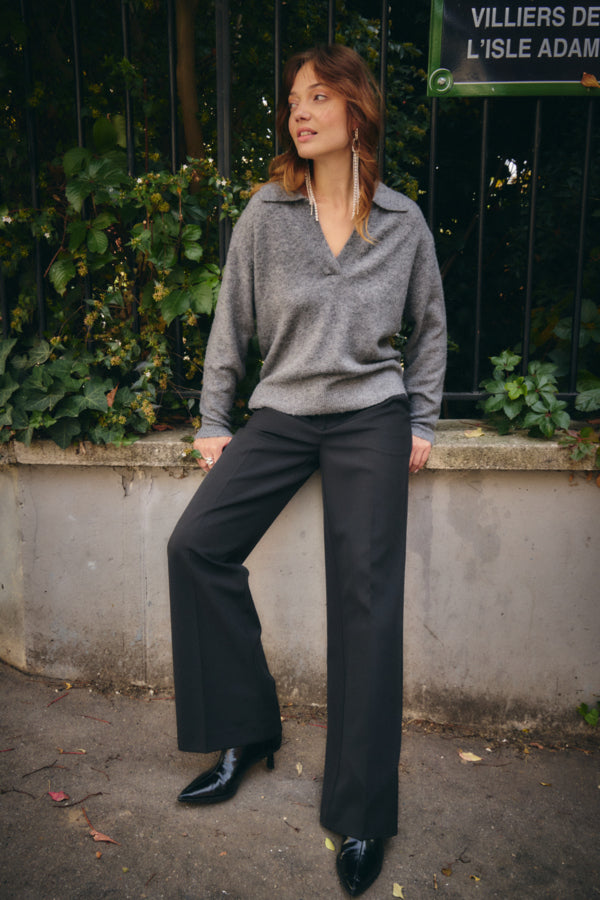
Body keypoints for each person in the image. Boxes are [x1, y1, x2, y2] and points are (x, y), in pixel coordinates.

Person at [167, 43, 446, 897]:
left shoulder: (401, 221)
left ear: (357, 111)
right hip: (284, 412)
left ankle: (360, 813)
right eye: (294, 98)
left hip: (370, 415)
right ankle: (247, 730)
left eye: (319, 95)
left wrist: (422, 417)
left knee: (366, 599)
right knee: (196, 546)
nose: (300, 110)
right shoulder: (266, 213)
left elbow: (430, 327)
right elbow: (232, 322)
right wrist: (215, 418)